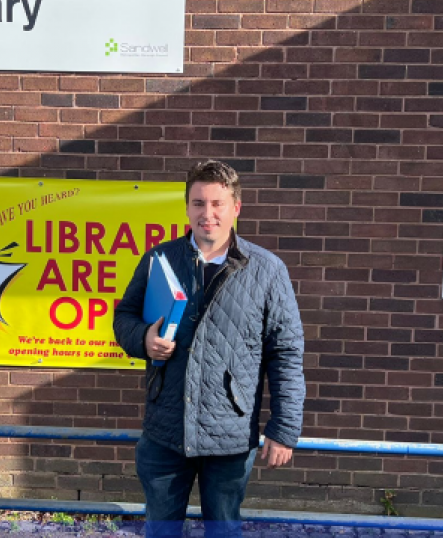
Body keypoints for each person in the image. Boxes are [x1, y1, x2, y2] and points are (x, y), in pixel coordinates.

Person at [113, 160, 306, 538]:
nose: (208, 214)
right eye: (199, 203)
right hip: (166, 431)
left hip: (229, 436)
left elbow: (285, 353)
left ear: (236, 207)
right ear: (187, 207)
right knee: (161, 532)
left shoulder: (267, 270)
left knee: (223, 532)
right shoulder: (159, 259)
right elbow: (124, 317)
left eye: (218, 204)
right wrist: (143, 339)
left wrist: (284, 428)